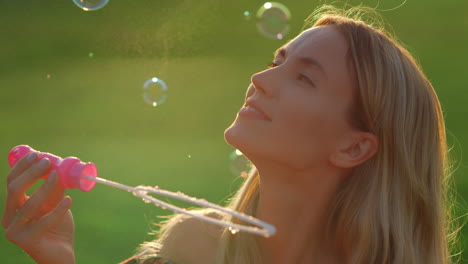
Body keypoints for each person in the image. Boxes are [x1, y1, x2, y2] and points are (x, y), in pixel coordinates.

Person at [2, 4, 459, 264]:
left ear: (354, 145)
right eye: (278, 61)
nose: (261, 79)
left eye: (304, 78)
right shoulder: (189, 252)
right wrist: (57, 257)